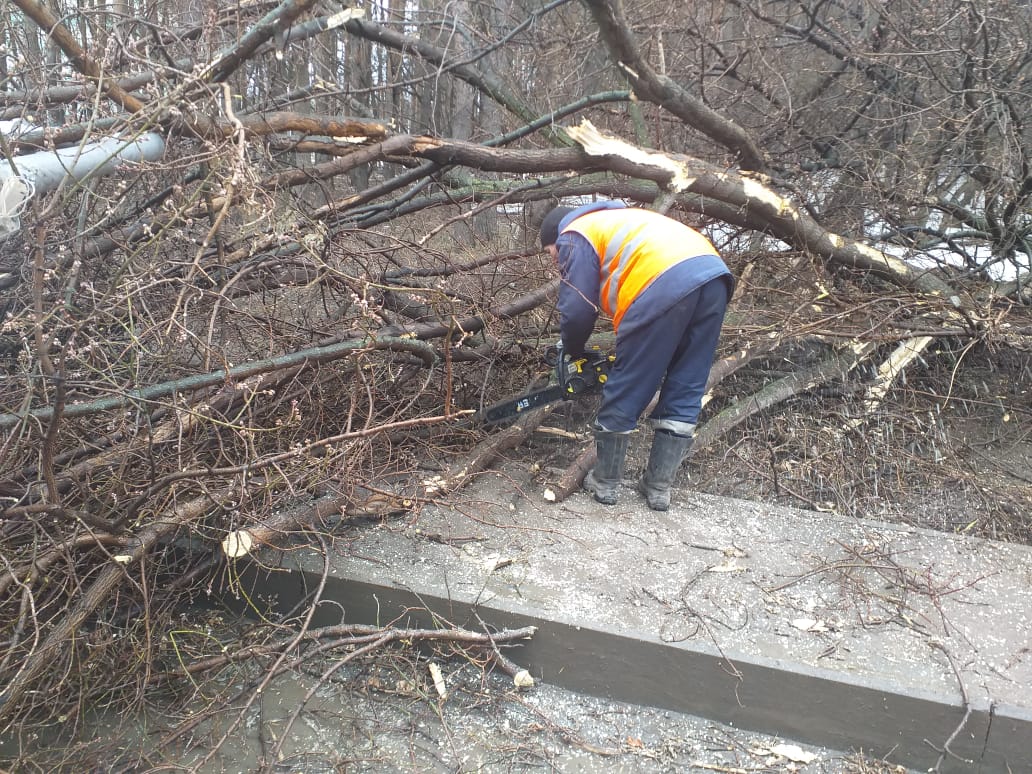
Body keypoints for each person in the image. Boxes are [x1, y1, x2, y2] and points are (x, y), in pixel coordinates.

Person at [539, 201, 733, 510]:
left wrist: (572, 351)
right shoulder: (622, 221)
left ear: (557, 236)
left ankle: (605, 482)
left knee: (630, 382)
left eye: (552, 253)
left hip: (661, 281)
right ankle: (658, 488)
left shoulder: (574, 232)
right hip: (714, 278)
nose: (555, 261)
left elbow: (577, 310)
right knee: (688, 381)